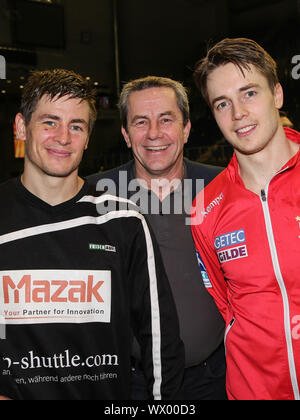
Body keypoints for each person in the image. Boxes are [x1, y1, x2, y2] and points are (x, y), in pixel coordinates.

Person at [0, 69, 184, 400]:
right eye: (49, 122)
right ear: (21, 127)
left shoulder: (123, 219)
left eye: (76, 126)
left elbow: (161, 340)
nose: (63, 137)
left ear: (87, 137)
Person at [88, 76, 227, 400]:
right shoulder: (94, 197)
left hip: (213, 379)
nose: (154, 133)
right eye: (140, 122)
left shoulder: (222, 188)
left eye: (166, 119)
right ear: (125, 133)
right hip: (129, 382)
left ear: (187, 128)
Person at [192, 37, 300, 400]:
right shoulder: (205, 208)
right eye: (223, 103)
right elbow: (227, 307)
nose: (237, 113)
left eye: (249, 93)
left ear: (278, 95)